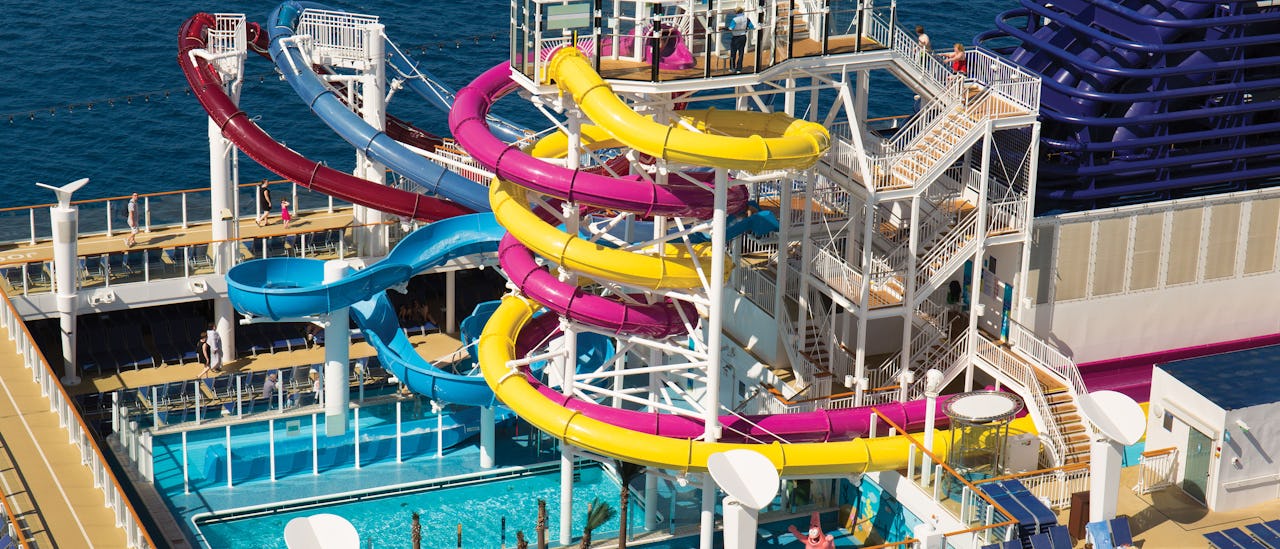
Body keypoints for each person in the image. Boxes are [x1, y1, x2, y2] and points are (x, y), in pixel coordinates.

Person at [726, 8, 754, 73]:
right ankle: (739, 69)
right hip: (743, 36)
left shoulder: (735, 20)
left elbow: (731, 28)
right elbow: (751, 27)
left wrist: (725, 28)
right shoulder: (746, 19)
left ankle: (732, 68)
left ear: (736, 12)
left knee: (733, 53)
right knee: (741, 53)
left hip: (735, 37)